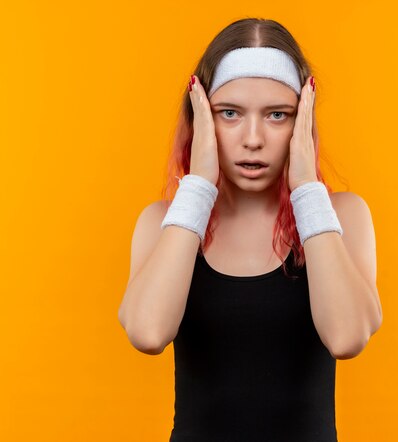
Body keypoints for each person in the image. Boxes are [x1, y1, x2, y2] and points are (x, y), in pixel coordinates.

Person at [118, 17, 382, 442]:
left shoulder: (343, 216)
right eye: (230, 113)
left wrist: (307, 193)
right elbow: (147, 333)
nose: (253, 138)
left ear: (302, 122)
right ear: (202, 118)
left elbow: (348, 337)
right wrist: (198, 186)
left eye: (278, 115)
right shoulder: (162, 223)